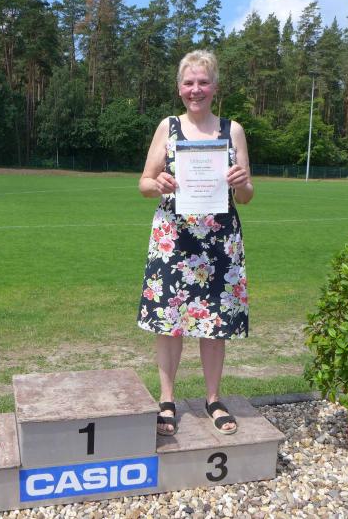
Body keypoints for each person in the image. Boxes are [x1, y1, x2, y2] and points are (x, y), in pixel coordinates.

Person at [137, 50, 254, 436]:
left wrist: (242, 183)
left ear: (215, 87)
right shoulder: (167, 127)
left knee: (214, 323)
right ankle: (166, 399)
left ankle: (213, 399)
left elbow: (247, 195)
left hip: (220, 242)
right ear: (179, 88)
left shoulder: (232, 131)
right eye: (189, 83)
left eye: (203, 82)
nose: (196, 89)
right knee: (169, 323)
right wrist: (158, 183)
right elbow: (144, 183)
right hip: (173, 241)